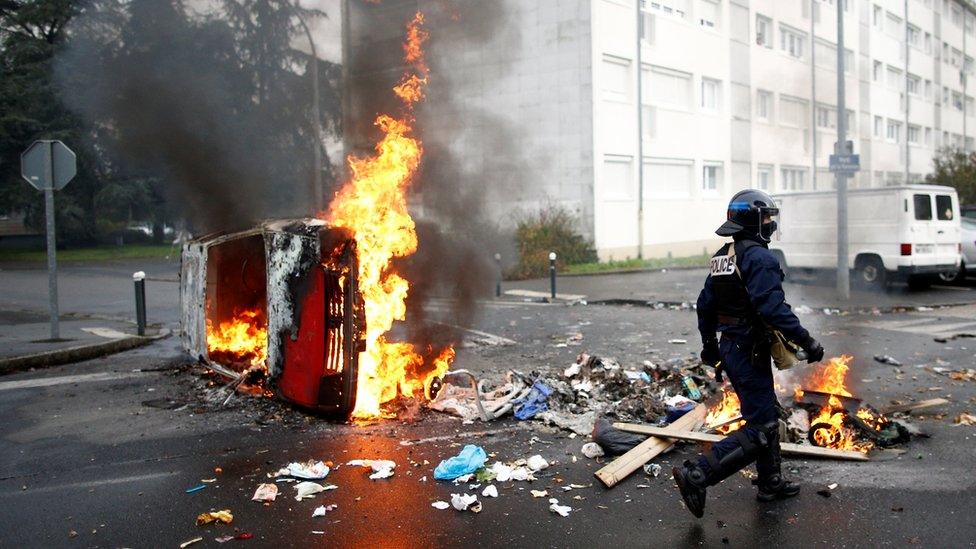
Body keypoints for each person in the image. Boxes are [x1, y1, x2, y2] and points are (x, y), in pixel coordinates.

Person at [672, 189, 825, 518]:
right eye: (767, 217)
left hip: (731, 346)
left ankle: (770, 483)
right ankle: (697, 474)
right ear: (752, 222)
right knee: (763, 427)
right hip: (748, 348)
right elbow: (772, 308)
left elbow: (705, 307)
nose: (771, 223)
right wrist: (807, 341)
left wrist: (711, 350)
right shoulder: (760, 258)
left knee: (764, 412)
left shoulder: (723, 255)